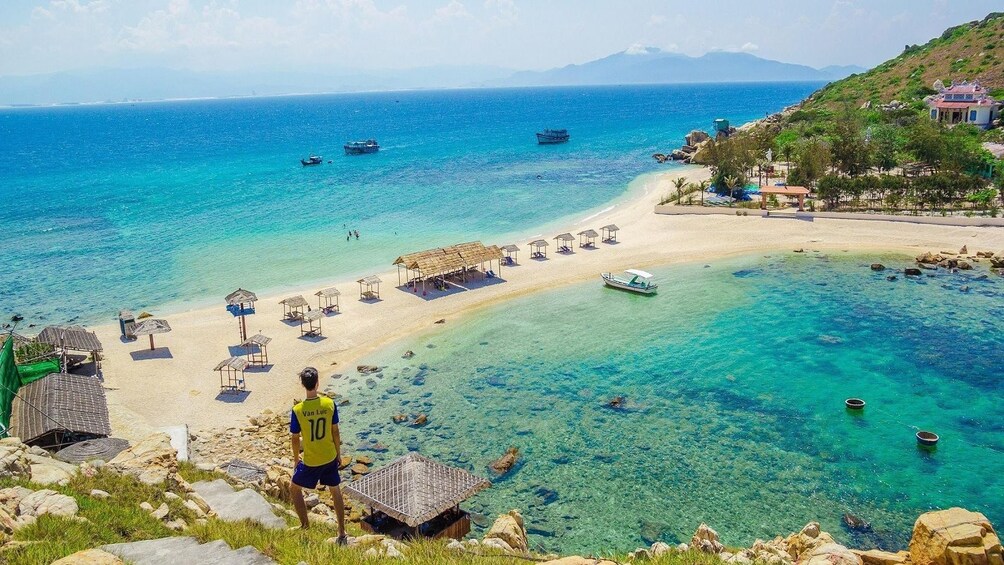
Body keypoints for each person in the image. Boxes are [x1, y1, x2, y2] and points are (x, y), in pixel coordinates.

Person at [289, 367, 346, 542]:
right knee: (335, 491)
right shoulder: (329, 404)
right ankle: (342, 532)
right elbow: (335, 432)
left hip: (311, 460)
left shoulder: (298, 409)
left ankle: (305, 525)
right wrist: (338, 454)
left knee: (294, 488)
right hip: (329, 456)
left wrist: (296, 459)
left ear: (303, 385)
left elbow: (295, 438)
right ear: (318, 382)